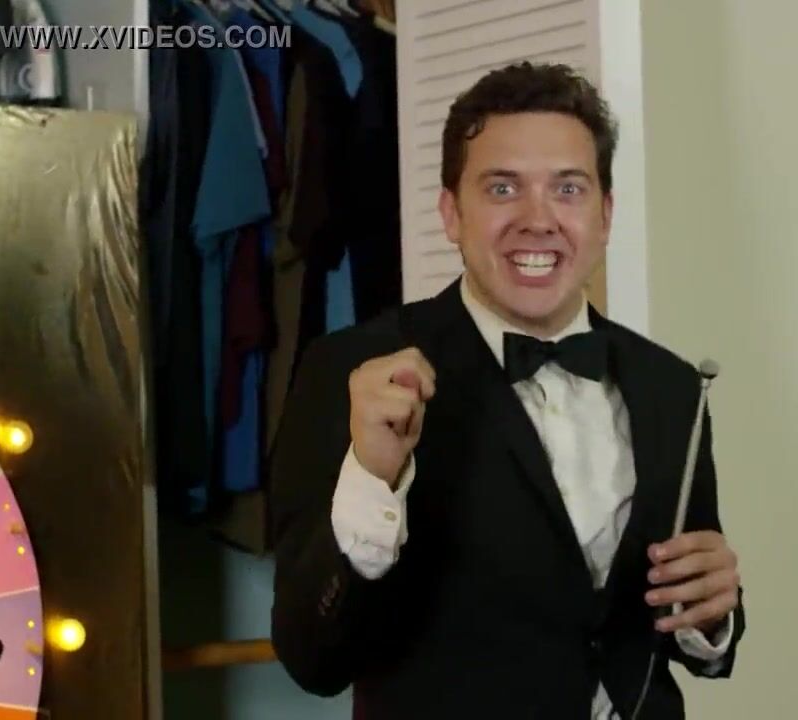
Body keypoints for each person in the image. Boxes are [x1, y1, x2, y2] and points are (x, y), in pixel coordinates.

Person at [268, 61, 746, 719]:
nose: (537, 219)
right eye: (502, 188)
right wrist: (371, 479)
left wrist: (713, 619)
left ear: (605, 215)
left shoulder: (674, 386)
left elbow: (685, 613)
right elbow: (311, 657)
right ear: (451, 213)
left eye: (568, 189)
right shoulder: (352, 370)